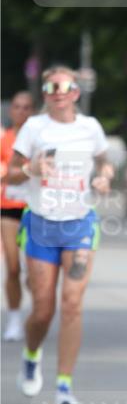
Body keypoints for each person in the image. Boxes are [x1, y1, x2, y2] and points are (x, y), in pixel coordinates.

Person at [6, 66, 113, 404]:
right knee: (42, 310)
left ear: (75, 92)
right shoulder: (34, 128)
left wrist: (104, 178)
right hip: (41, 222)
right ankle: (31, 352)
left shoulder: (90, 128)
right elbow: (9, 175)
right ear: (46, 92)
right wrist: (29, 170)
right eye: (50, 86)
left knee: (71, 304)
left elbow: (104, 163)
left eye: (63, 85)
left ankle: (64, 384)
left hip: (79, 222)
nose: (56, 91)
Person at [1, 91, 34, 340]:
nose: (21, 111)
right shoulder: (4, 139)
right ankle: (14, 319)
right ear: (11, 110)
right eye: (17, 106)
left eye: (26, 107)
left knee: (35, 272)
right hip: (8, 206)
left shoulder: (39, 139)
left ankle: (37, 312)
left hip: (34, 207)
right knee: (12, 267)